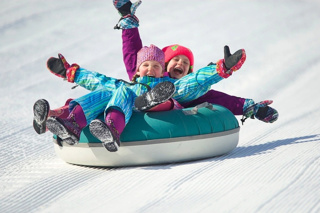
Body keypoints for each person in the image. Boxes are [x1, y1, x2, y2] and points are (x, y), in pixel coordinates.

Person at [39, 43, 246, 152]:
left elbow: (194, 82)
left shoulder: (173, 84)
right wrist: (72, 72)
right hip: (133, 104)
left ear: (162, 70)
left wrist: (221, 68)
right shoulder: (129, 85)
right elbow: (98, 80)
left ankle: (149, 104)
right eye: (146, 65)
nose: (150, 69)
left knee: (168, 93)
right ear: (137, 71)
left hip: (166, 107)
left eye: (156, 66)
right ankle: (75, 122)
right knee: (107, 91)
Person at [113, 0, 278, 124]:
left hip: (173, 118)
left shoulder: (192, 90)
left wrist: (254, 108)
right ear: (163, 65)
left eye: (186, 63)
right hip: (139, 114)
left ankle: (223, 68)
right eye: (175, 60)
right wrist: (128, 21)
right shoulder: (146, 75)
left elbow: (223, 100)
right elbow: (132, 53)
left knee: (196, 89)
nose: (181, 64)